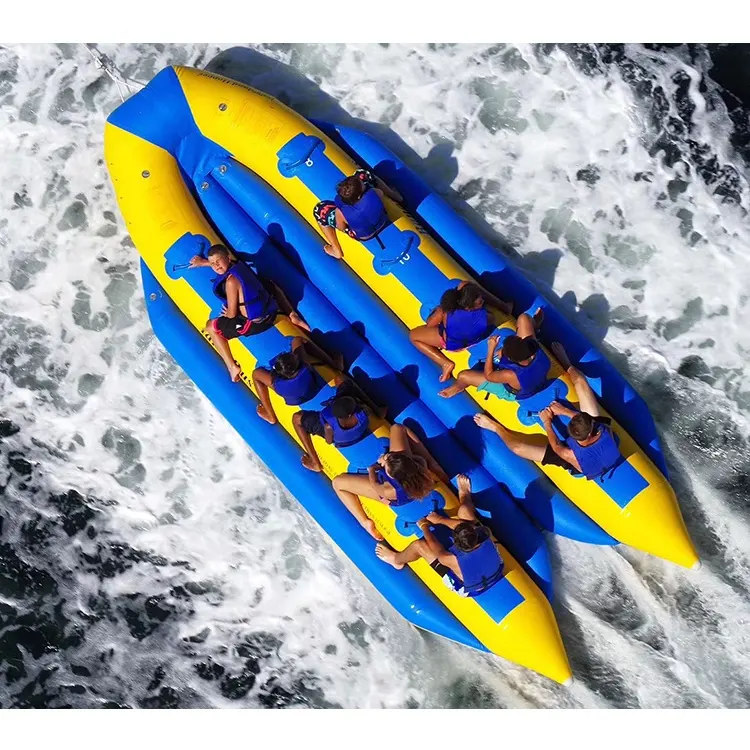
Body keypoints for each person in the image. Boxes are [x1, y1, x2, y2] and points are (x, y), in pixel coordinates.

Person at [473, 342, 623, 481]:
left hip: (577, 461)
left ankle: (495, 427)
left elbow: (558, 447)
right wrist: (564, 411)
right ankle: (566, 363)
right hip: (592, 438)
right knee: (581, 382)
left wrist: (547, 422)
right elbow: (588, 421)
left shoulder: (570, 454)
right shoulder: (603, 430)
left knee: (517, 448)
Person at [189, 244, 310, 382]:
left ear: (228, 258)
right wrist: (203, 262)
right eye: (212, 264)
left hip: (257, 323)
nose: (216, 266)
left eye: (218, 261)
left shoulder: (230, 282)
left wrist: (227, 312)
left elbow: (232, 315)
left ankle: (231, 366)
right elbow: (221, 264)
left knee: (211, 326)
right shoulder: (237, 265)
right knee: (270, 284)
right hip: (272, 310)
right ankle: (292, 314)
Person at [375, 474, 505, 598]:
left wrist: (424, 526)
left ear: (456, 544)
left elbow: (434, 546)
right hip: (497, 568)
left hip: (469, 588)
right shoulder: (484, 534)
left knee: (419, 546)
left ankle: (397, 560)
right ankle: (465, 494)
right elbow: (465, 527)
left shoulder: (450, 559)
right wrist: (439, 519)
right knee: (465, 511)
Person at [331, 424, 451, 540]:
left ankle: (364, 522)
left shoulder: (389, 490)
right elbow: (398, 428)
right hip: (414, 484)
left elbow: (375, 484)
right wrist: (388, 459)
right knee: (397, 428)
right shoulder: (419, 464)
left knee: (337, 483)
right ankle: (434, 463)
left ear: (392, 476)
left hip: (398, 499)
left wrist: (372, 469)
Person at [408, 281, 513, 383]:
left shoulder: (447, 311)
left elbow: (430, 324)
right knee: (465, 284)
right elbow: (487, 320)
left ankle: (445, 363)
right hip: (474, 338)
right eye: (480, 300)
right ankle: (504, 307)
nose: (481, 299)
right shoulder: (486, 317)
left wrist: (441, 316)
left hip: (452, 343)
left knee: (413, 335)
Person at [438, 309, 549, 400]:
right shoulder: (533, 347)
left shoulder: (511, 374)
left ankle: (459, 386)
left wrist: (491, 348)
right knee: (524, 318)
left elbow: (489, 376)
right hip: (535, 373)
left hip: (517, 390)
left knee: (463, 376)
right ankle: (535, 326)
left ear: (510, 358)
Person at [292, 375, 385, 474]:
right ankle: (377, 410)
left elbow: (329, 441)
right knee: (341, 380)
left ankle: (315, 462)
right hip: (358, 431)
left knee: (297, 418)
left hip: (338, 436)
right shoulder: (363, 415)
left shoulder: (328, 426)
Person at [251, 336, 344, 425]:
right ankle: (334, 364)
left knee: (256, 373)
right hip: (311, 386)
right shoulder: (305, 366)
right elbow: (298, 340)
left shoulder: (279, 384)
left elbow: (272, 377)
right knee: (298, 339)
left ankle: (270, 415)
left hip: (293, 399)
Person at [313, 168, 403, 259]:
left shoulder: (340, 212)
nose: (362, 182)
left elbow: (341, 227)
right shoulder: (374, 193)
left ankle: (336, 250)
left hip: (364, 236)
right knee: (363, 174)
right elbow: (380, 194)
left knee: (319, 209)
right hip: (382, 220)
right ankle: (396, 196)